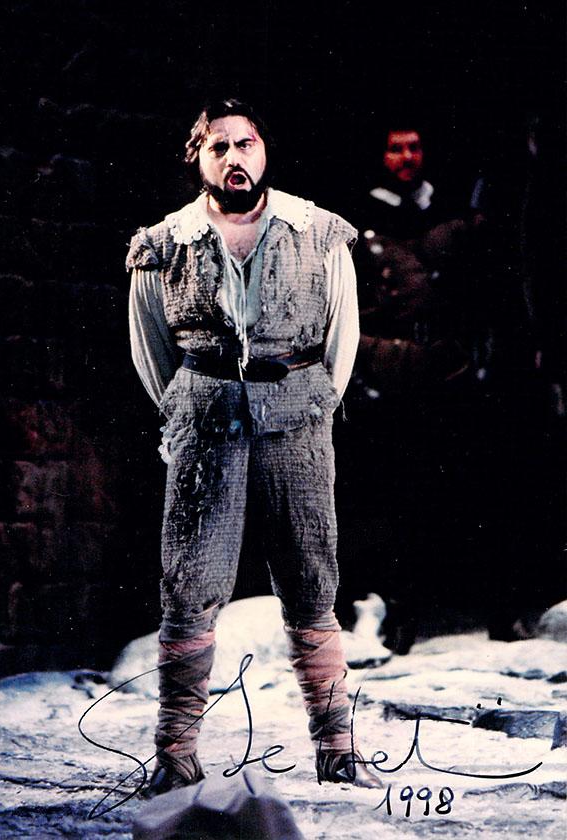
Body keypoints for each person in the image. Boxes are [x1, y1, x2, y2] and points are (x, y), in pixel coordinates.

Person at [127, 98, 381, 796]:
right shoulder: (165, 243)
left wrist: (310, 401)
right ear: (197, 159)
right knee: (190, 582)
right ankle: (176, 752)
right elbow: (152, 350)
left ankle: (337, 748)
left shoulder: (316, 231)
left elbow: (342, 336)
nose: (234, 158)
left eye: (246, 144)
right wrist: (191, 405)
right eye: (219, 147)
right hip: (205, 420)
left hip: (296, 415)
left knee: (309, 576)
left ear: (264, 150)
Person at [336, 124, 486, 652]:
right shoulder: (358, 217)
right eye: (395, 148)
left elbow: (476, 289)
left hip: (442, 367)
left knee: (445, 490)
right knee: (383, 493)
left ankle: (450, 604)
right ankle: (386, 607)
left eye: (414, 147)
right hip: (386, 366)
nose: (405, 157)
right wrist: (363, 363)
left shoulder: (449, 212)